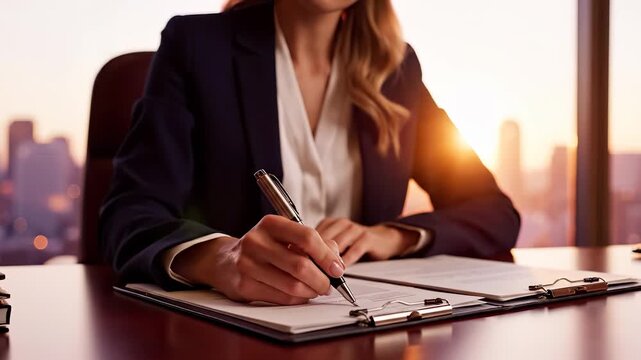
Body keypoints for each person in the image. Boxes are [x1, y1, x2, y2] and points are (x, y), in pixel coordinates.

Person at [99, 0, 520, 306]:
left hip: (361, 326)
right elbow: (129, 214)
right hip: (228, 340)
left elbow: (494, 210)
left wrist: (391, 236)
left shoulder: (397, 70)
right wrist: (222, 260)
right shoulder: (196, 46)